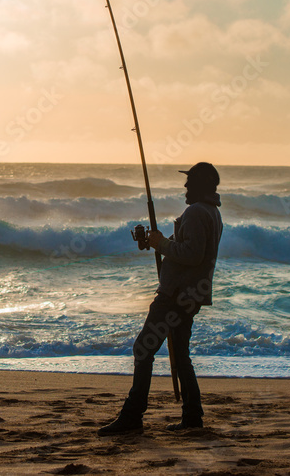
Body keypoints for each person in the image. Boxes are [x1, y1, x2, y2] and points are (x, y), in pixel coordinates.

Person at [98, 162, 223, 436]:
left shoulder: (195, 212)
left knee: (143, 349)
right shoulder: (212, 213)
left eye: (190, 182)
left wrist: (161, 244)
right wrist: (160, 242)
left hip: (175, 296)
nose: (185, 187)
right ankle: (192, 416)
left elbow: (191, 254)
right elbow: (192, 250)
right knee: (180, 354)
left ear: (200, 185)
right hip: (192, 295)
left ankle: (133, 415)